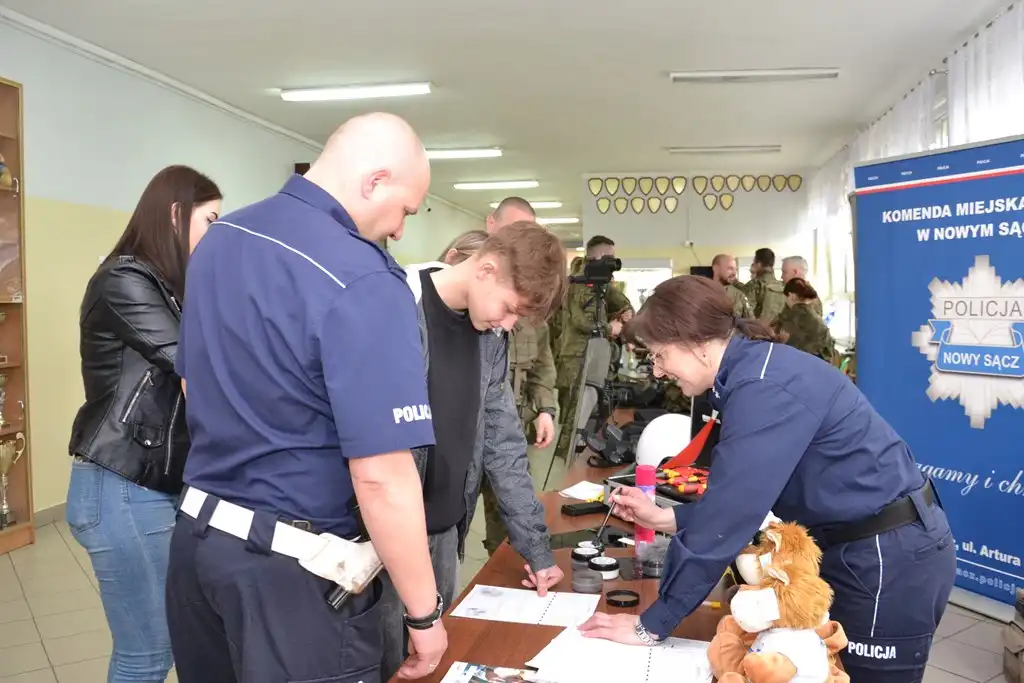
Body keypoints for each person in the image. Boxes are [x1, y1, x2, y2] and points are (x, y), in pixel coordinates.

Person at [165, 113, 448, 683]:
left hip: (199, 547)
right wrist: (425, 613)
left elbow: (193, 386)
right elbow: (382, 477)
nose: (399, 231)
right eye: (405, 211)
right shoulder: (366, 280)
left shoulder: (221, 240)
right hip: (295, 577)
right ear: (375, 181)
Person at [579, 275, 955, 683]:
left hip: (887, 558)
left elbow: (731, 514)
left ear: (696, 343)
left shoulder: (764, 385)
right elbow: (742, 493)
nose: (658, 369)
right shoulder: (749, 373)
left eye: (659, 355)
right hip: (851, 548)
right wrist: (669, 520)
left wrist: (651, 625)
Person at [381, 221, 567, 680]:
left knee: (431, 664)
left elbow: (503, 443)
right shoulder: (397, 305)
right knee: (381, 665)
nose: (507, 324)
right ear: (485, 269)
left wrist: (536, 548)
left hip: (443, 534)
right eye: (509, 309)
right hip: (381, 541)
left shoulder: (490, 338)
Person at [66, 165, 221, 683]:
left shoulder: (170, 287)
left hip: (152, 485)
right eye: (211, 220)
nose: (214, 236)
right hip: (123, 485)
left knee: (163, 646)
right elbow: (195, 365)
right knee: (146, 654)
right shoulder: (124, 279)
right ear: (176, 215)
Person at [479, 198, 558, 556]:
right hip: (463, 430)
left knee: (507, 514)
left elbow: (543, 361)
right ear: (491, 225)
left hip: (509, 424)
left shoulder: (529, 296)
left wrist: (546, 409)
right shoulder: (468, 278)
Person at [552, 235, 632, 463]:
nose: (613, 262)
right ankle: (566, 468)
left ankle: (575, 460)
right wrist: (609, 327)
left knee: (587, 410)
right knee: (573, 415)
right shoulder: (579, 282)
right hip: (575, 356)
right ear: (596, 257)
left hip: (594, 356)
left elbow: (622, 302)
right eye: (609, 257)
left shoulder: (603, 283)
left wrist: (626, 313)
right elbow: (581, 321)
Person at [774, 277, 836, 361]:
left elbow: (784, 349)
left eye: (786, 297)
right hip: (821, 365)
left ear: (791, 296)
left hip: (801, 365)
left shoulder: (791, 317)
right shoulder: (815, 316)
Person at [744, 247, 787, 323]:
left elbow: (746, 311)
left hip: (760, 331)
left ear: (759, 264)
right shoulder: (783, 285)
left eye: (755, 262)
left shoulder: (754, 284)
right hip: (779, 331)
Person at [711, 253, 753, 318]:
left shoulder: (739, 296)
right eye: (730, 268)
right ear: (716, 269)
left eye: (735, 269)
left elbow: (751, 324)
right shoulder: (702, 292)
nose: (734, 273)